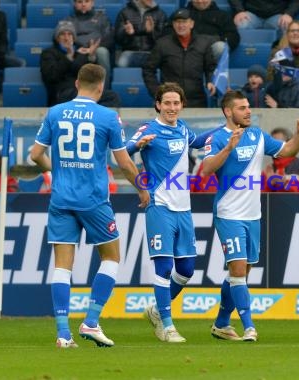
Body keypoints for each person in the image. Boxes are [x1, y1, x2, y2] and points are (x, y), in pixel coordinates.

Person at [30, 63, 150, 348]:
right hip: (93, 200)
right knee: (111, 257)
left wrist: (56, 173)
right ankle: (92, 322)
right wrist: (142, 188)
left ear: (76, 83)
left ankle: (63, 334)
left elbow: (35, 155)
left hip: (60, 199)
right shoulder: (108, 116)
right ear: (100, 87)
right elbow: (123, 161)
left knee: (62, 267)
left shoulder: (55, 112)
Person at [202, 90, 299, 342]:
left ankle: (221, 323)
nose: (248, 111)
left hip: (253, 215)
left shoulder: (256, 135)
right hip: (229, 213)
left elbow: (287, 151)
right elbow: (206, 170)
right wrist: (228, 148)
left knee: (240, 272)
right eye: (241, 108)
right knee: (239, 269)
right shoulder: (217, 138)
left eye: (248, 107)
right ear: (228, 112)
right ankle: (249, 326)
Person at [126, 83, 218, 343]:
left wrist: (226, 129)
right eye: (167, 103)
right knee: (164, 266)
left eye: (176, 103)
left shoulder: (182, 129)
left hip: (183, 208)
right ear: (158, 104)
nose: (172, 107)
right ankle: (167, 326)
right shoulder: (149, 129)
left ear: (182, 105)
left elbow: (198, 142)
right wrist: (138, 145)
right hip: (160, 205)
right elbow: (123, 150)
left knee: (186, 269)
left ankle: (156, 310)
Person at [142, 8, 217, 108]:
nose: (180, 25)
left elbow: (210, 67)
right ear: (173, 24)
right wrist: (157, 92)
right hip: (169, 101)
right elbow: (148, 69)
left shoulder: (203, 43)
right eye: (177, 22)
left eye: (184, 22)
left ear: (191, 24)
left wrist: (210, 81)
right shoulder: (162, 44)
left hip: (197, 101)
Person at [40, 20, 120, 107]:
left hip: (84, 91)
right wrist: (68, 57)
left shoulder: (81, 51)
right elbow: (51, 76)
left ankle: (93, 116)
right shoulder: (49, 53)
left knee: (112, 97)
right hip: (62, 93)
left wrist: (91, 57)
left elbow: (89, 75)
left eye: (69, 34)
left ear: (73, 37)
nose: (66, 38)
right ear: (57, 38)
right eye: (62, 34)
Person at [65, 0, 114, 87]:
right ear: (75, 4)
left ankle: (104, 90)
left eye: (86, 1)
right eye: (80, 2)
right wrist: (76, 49)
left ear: (92, 3)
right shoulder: (69, 20)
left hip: (97, 49)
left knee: (102, 52)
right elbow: (63, 39)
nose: (83, 4)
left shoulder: (102, 18)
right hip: (79, 50)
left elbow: (109, 37)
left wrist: (95, 47)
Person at [263, 127, 299, 193]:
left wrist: (286, 185)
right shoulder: (268, 170)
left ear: (290, 144)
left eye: (279, 143)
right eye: (272, 143)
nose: (275, 146)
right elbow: (259, 198)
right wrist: (270, 184)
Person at [114, 0, 167, 68]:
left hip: (152, 52)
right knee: (122, 63)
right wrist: (129, 34)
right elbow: (118, 40)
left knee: (164, 65)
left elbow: (163, 41)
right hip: (130, 52)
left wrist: (151, 32)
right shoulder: (124, 13)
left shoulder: (160, 14)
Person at [0, 0, 25, 70]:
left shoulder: (2, 16)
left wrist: (1, 52)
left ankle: (7, 80)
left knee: (21, 63)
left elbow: (3, 39)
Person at [228, 0, 299, 31]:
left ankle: (283, 60)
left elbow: (296, 1)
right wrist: (239, 11)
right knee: (241, 23)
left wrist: (288, 14)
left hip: (276, 16)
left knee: (286, 25)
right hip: (252, 15)